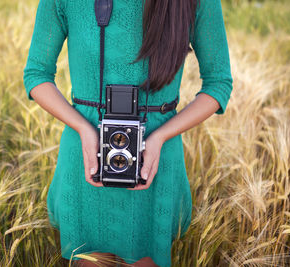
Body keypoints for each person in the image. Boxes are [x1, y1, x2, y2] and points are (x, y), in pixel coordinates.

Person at [23, 0, 233, 266]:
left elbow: (218, 83)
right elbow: (36, 74)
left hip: (154, 160)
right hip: (87, 154)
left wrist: (160, 137)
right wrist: (83, 129)